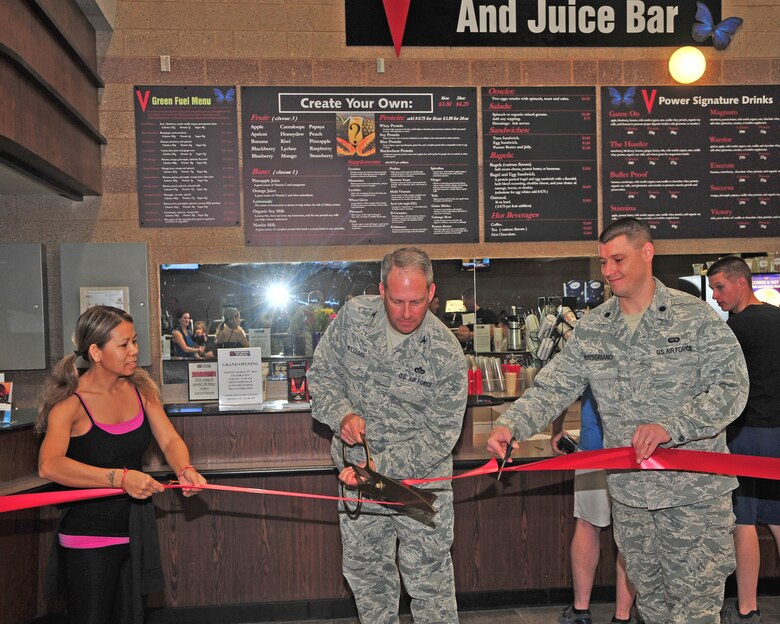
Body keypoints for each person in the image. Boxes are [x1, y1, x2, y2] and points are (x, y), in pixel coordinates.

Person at [487, 217, 749, 624]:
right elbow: (552, 388)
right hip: (630, 498)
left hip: (694, 498)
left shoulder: (694, 318)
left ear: (647, 253)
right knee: (653, 607)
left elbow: (732, 389)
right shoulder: (594, 329)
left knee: (695, 612)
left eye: (618, 259)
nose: (609, 271)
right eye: (604, 262)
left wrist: (671, 427)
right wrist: (511, 425)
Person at [307, 247, 468, 624]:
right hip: (360, 487)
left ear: (431, 293)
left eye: (416, 301)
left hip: (419, 487)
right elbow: (322, 376)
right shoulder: (353, 319)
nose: (408, 312)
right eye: (397, 301)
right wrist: (341, 414)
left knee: (430, 589)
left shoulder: (445, 352)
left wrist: (376, 467)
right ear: (381, 290)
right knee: (369, 584)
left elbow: (440, 434)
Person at [36, 305, 206, 624]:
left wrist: (185, 469)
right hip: (89, 534)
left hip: (134, 528)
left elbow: (169, 439)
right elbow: (49, 465)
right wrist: (119, 479)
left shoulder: (141, 390)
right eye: (124, 344)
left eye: (135, 341)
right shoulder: (70, 403)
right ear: (96, 351)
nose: (134, 351)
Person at [707, 257, 780, 624]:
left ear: (741, 283)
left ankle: (747, 608)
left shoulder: (736, 328)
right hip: (778, 433)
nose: (716, 295)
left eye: (720, 287)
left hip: (747, 432)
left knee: (744, 521)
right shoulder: (777, 317)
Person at [552, 386, 639, 624]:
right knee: (630, 531)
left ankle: (581, 610)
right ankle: (622, 615)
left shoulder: (589, 346)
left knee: (587, 525)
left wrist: (557, 428)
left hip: (594, 447)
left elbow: (563, 387)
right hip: (634, 449)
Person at [287, 291, 324, 356]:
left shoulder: (303, 309)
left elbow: (293, 327)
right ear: (321, 300)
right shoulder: (328, 312)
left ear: (309, 299)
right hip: (323, 349)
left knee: (308, 364)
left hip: (307, 348)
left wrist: (297, 333)